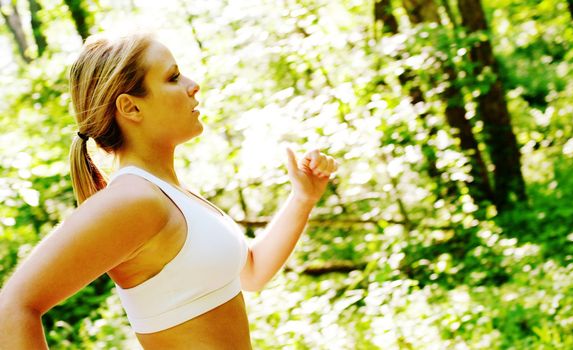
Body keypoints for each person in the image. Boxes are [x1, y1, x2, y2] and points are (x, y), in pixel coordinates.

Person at [0, 32, 338, 349]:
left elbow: (251, 273)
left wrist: (303, 199)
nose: (193, 86)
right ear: (130, 107)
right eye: (173, 77)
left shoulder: (169, 193)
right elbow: (13, 307)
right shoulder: (133, 200)